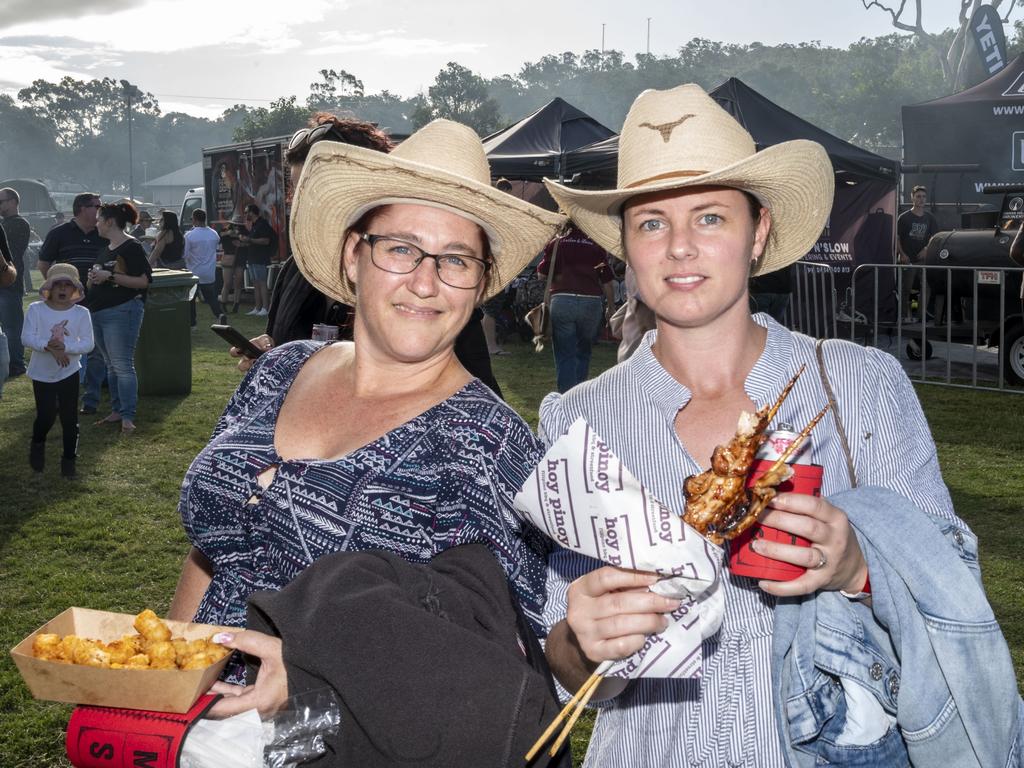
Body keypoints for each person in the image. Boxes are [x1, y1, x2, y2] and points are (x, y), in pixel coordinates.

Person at [538, 84, 1020, 766]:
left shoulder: (859, 385)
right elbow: (570, 673)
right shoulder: (575, 419)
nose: (679, 247)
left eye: (709, 218)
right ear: (625, 243)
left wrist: (856, 565)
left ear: (759, 231)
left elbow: (955, 586)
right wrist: (581, 643)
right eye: (651, 222)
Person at [168, 121, 566, 698]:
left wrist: (313, 674)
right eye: (402, 249)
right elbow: (214, 548)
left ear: (480, 285)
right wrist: (171, 685)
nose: (425, 283)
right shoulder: (281, 372)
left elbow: (500, 660)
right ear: (355, 256)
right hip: (200, 727)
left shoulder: (489, 445)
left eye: (456, 260)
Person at [233, 113, 506, 397]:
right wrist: (271, 356)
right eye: (297, 189)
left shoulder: (430, 288)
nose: (302, 202)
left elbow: (480, 393)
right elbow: (282, 341)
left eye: (317, 188)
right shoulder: (296, 271)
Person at [37, 192, 108, 415]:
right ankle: (64, 396)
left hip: (97, 301)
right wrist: (60, 289)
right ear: (81, 208)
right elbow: (43, 263)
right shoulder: (59, 233)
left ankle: (91, 400)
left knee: (95, 351)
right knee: (65, 347)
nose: (100, 209)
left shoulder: (104, 233)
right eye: (96, 205)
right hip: (67, 305)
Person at [22, 264, 94, 478]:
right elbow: (27, 337)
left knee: (70, 418)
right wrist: (49, 346)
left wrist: (66, 348)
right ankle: (37, 443)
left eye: (67, 285)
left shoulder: (82, 313)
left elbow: (88, 343)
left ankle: (69, 461)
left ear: (75, 289)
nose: (62, 289)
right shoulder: (36, 309)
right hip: (41, 373)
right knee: (46, 416)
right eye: (58, 285)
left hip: (69, 372)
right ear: (49, 288)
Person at [87, 202, 153, 435]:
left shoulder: (131, 247)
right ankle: (117, 411)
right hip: (100, 312)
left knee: (122, 366)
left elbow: (143, 281)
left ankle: (127, 416)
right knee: (111, 366)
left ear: (109, 222)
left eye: (98, 219)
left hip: (122, 311)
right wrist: (95, 276)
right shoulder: (108, 248)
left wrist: (110, 276)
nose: (95, 223)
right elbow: (105, 275)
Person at [536, 222, 616, 392]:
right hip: (591, 302)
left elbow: (542, 275)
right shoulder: (596, 246)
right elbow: (607, 281)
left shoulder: (556, 244)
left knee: (565, 354)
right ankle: (579, 395)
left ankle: (566, 396)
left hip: (562, 300)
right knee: (584, 351)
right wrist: (611, 306)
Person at [1, 187, 31, 377]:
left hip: (10, 283)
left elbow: (10, 252)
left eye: (1, 201)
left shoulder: (19, 223)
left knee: (12, 328)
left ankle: (16, 364)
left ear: (13, 202)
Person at [897, 185, 938, 322]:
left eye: (923, 196)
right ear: (912, 198)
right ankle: (904, 316)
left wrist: (927, 249)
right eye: (918, 196)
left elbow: (935, 237)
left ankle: (920, 316)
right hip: (907, 260)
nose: (921, 199)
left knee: (926, 288)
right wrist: (902, 254)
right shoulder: (903, 217)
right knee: (907, 289)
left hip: (923, 261)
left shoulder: (930, 218)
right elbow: (896, 238)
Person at [182, 209, 223, 325]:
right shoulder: (214, 234)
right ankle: (219, 314)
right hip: (209, 271)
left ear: (194, 219)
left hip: (194, 271)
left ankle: (193, 323)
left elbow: (185, 254)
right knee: (211, 298)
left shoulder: (189, 235)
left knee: (191, 299)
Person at [238, 203, 274, 316]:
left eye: (246, 212)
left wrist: (249, 239)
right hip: (252, 257)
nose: (245, 214)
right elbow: (253, 241)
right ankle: (257, 308)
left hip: (260, 258)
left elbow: (266, 241)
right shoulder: (254, 225)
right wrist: (243, 241)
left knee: (262, 283)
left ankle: (265, 308)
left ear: (252, 212)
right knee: (255, 283)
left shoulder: (262, 224)